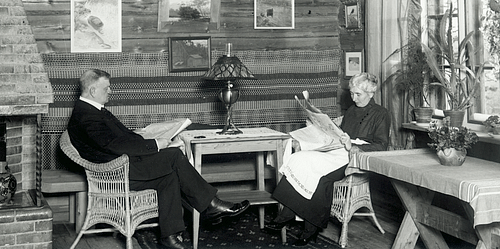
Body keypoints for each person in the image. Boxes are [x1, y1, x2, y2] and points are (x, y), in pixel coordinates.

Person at [67, 69, 250, 249]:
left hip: (123, 165)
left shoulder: (91, 110)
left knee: (168, 177)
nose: (110, 91)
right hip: (114, 173)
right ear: (92, 91)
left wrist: (157, 141)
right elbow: (114, 145)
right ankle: (211, 204)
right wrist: (156, 145)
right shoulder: (87, 115)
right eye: (106, 88)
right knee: (174, 156)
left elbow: (123, 138)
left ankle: (169, 237)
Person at [264, 72, 390, 246]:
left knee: (320, 177)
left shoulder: (381, 114)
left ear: (371, 93)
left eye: (358, 94)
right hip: (337, 150)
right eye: (352, 93)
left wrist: (351, 146)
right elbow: (339, 133)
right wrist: (319, 127)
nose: (353, 98)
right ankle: (287, 217)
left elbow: (382, 145)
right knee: (300, 158)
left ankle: (308, 228)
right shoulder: (352, 110)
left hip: (355, 157)